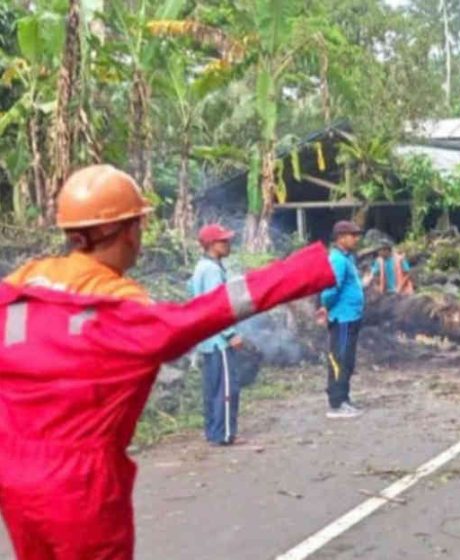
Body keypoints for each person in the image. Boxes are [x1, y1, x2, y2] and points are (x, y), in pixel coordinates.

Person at [0, 164, 335, 559]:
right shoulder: (125, 309)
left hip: (13, 472)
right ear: (127, 232)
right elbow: (205, 314)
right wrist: (303, 270)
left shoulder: (22, 282)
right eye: (139, 227)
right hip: (79, 485)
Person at [190, 224, 244, 446]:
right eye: (224, 241)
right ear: (212, 245)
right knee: (227, 388)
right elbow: (217, 306)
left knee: (213, 388)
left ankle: (214, 431)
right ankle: (225, 434)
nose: (228, 244)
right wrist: (230, 333)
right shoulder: (211, 270)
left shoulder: (203, 266)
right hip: (218, 340)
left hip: (207, 339)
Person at [317, 220, 365, 419]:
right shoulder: (337, 259)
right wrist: (325, 307)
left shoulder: (346, 258)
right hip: (343, 317)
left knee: (347, 358)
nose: (356, 239)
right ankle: (337, 402)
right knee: (340, 358)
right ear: (341, 237)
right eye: (352, 235)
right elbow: (330, 288)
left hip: (350, 316)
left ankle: (343, 397)